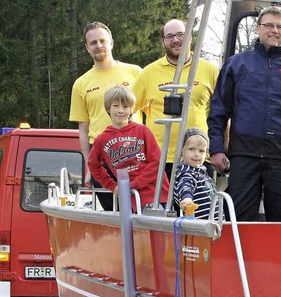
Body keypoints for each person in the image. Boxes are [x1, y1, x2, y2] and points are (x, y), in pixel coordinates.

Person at [207, 5, 281, 222]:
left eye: (280, 26)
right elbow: (219, 111)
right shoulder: (236, 64)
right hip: (243, 156)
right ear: (258, 29)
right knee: (238, 219)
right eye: (269, 25)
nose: (274, 30)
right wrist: (215, 148)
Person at [132, 19, 219, 178]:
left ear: (190, 38)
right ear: (163, 42)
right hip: (160, 159)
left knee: (199, 203)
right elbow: (129, 110)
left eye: (181, 34)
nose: (176, 40)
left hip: (199, 157)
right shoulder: (148, 73)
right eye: (170, 36)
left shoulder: (210, 70)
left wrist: (221, 149)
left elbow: (223, 113)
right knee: (161, 204)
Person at [69, 21, 142, 210]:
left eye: (102, 40)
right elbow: (83, 130)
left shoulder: (135, 72)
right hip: (101, 156)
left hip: (134, 150)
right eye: (93, 42)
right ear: (87, 48)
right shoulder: (81, 83)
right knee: (112, 216)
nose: (98, 45)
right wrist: (89, 167)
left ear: (112, 42)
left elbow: (150, 113)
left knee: (140, 212)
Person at [88, 85, 169, 212]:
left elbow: (157, 162)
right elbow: (93, 165)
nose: (120, 110)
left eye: (125, 106)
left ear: (131, 109)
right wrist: (113, 187)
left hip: (153, 194)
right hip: (130, 199)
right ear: (108, 108)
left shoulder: (142, 131)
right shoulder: (101, 140)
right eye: (116, 106)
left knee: (155, 225)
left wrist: (134, 184)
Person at [174, 128, 218, 220]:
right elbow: (185, 185)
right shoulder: (187, 172)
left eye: (201, 151)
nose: (197, 154)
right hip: (200, 226)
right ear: (182, 151)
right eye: (191, 149)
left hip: (212, 222)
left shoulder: (201, 171)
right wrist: (186, 199)